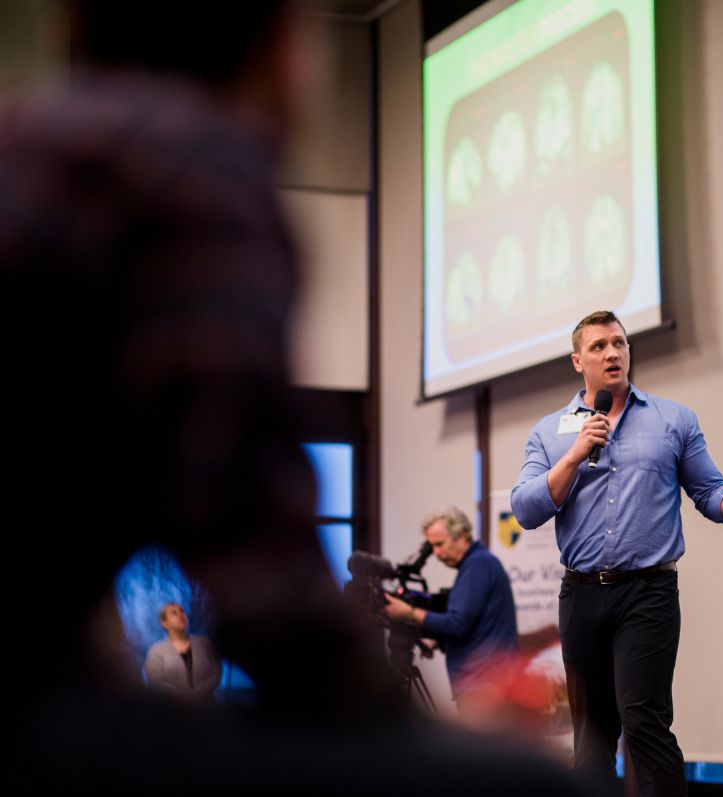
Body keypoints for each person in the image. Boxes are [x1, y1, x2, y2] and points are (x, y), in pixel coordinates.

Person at [4, 3, 602, 794]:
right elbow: (253, 559)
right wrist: (427, 730)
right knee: (525, 780)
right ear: (282, 47)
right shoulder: (191, 163)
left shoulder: (27, 147)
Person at [511, 310, 723, 797]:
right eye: (598, 347)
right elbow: (525, 509)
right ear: (578, 361)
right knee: (591, 737)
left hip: (648, 593)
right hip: (581, 595)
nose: (612, 353)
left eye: (619, 343)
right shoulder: (550, 431)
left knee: (645, 723)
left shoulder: (673, 420)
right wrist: (573, 455)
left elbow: (712, 495)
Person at [382, 508, 519, 698]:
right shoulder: (481, 562)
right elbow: (476, 625)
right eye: (432, 546)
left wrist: (408, 612)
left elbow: (457, 624)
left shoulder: (477, 565)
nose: (436, 553)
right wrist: (439, 641)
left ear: (462, 536)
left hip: (484, 689)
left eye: (440, 544)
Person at [144, 603, 223, 700]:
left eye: (182, 611)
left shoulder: (204, 643)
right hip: (173, 709)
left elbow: (215, 673)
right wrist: (182, 698)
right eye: (174, 613)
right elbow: (155, 682)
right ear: (164, 623)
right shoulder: (156, 651)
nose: (180, 614)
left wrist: (198, 694)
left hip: (206, 707)